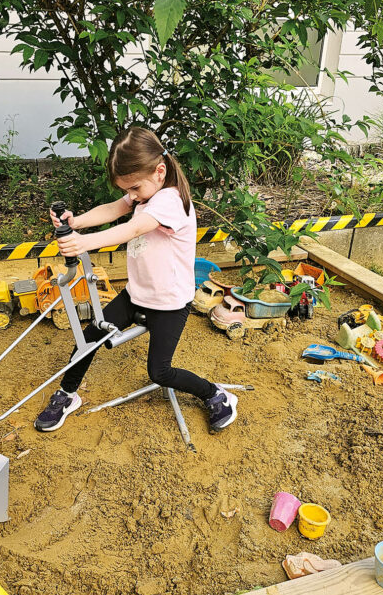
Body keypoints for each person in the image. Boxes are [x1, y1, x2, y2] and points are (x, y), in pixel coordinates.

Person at [34, 126, 238, 434]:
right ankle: (67, 394)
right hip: (137, 294)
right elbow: (116, 209)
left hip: (169, 303)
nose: (130, 195)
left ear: (159, 171)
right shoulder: (146, 190)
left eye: (134, 188)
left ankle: (215, 394)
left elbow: (134, 228)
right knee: (88, 339)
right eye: (127, 189)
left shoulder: (170, 201)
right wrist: (77, 222)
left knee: (160, 372)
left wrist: (85, 243)